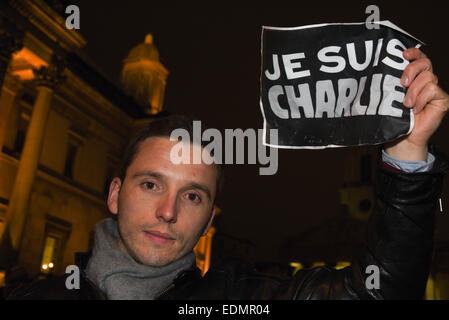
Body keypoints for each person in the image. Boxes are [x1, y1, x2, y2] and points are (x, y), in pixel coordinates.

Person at [8, 48, 449, 300]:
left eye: (193, 196)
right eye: (150, 184)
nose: (167, 212)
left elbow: (379, 293)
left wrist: (408, 152)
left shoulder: (242, 300)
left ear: (210, 220)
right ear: (114, 194)